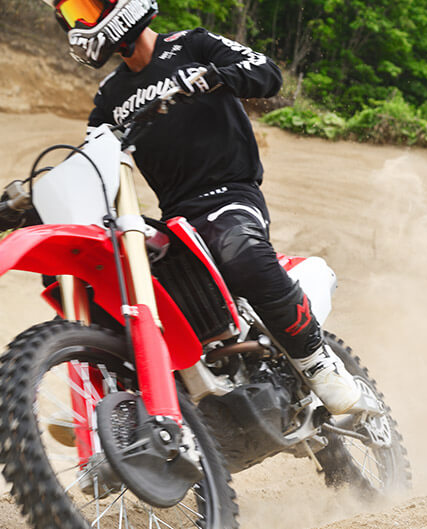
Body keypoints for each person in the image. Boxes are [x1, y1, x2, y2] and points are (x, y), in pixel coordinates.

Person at [34, 0, 361, 414]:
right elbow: (91, 165)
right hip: (177, 217)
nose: (80, 24)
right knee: (107, 277)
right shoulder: (110, 95)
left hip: (229, 194)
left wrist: (212, 78)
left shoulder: (193, 45)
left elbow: (267, 74)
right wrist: (33, 207)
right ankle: (115, 409)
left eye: (85, 8)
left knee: (238, 251)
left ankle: (318, 364)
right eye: (71, 16)